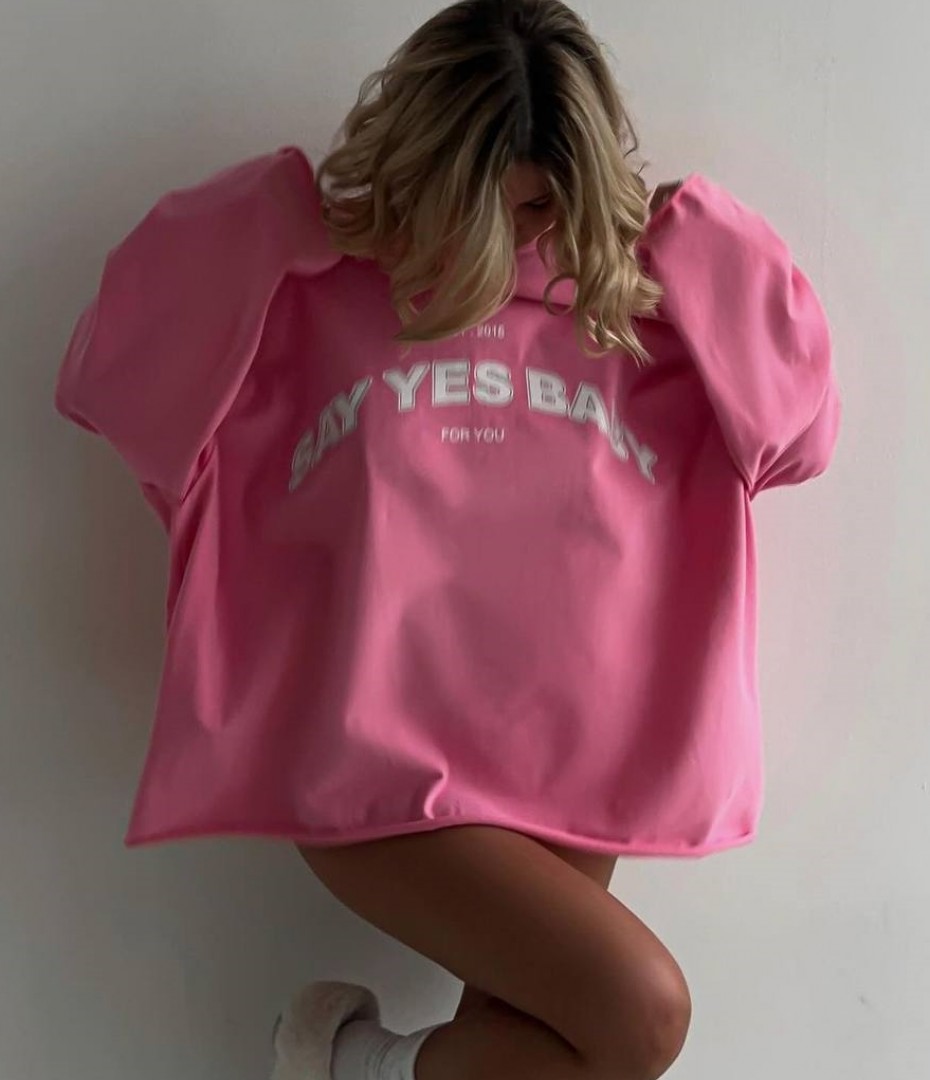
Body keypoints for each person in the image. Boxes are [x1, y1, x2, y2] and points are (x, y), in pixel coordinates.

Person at [53, 0, 841, 1077]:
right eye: (486, 201)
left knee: (549, 1052)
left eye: (542, 202)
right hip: (366, 763)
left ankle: (345, 1063)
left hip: (582, 759)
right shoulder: (307, 288)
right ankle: (348, 1062)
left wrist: (704, 242)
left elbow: (800, 435)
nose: (516, 232)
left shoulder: (642, 301)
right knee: (641, 1017)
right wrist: (268, 223)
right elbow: (114, 379)